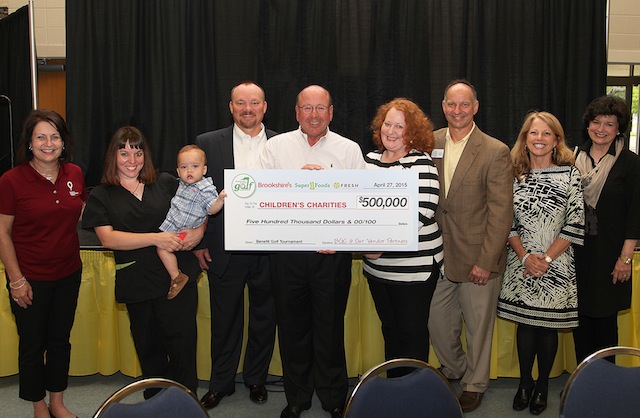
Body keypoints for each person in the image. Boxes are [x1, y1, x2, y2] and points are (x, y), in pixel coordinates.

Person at [259, 85, 366, 418]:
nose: (314, 115)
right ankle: (297, 397)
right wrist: (295, 181)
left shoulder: (349, 151)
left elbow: (361, 202)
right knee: (292, 328)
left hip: (331, 255)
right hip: (287, 255)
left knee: (330, 327)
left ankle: (334, 397)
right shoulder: (274, 148)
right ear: (296, 112)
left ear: (331, 112)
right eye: (307, 108)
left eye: (321, 108)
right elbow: (259, 198)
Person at [82, 126, 204, 397]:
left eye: (137, 153)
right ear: (112, 156)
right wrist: (155, 239)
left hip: (177, 278)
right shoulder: (101, 194)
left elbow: (199, 208)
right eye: (124, 153)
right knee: (150, 350)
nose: (132, 160)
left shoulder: (166, 182)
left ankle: (187, 404)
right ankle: (157, 404)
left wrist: (199, 232)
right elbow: (108, 239)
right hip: (138, 281)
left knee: (183, 345)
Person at [427, 79, 513, 413]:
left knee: (479, 328)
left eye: (465, 104)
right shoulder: (429, 141)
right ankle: (454, 367)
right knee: (437, 320)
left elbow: (501, 211)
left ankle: (474, 384)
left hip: (479, 255)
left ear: (475, 107)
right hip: (438, 254)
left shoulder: (495, 150)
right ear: (444, 106)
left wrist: (486, 261)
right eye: (452, 104)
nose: (458, 110)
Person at [195, 81, 277, 409]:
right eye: (240, 103)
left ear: (264, 107)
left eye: (253, 103)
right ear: (231, 107)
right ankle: (221, 383)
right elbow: (196, 194)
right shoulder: (207, 143)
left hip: (271, 248)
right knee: (224, 318)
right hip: (222, 246)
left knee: (264, 317)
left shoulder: (284, 144)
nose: (247, 109)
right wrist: (199, 239)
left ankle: (256, 378)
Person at [497, 112, 584, 415]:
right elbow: (504, 223)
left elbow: (575, 224)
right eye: (534, 133)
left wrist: (546, 258)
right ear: (525, 138)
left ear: (557, 140)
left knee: (547, 329)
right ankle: (524, 383)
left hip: (556, 264)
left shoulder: (570, 174)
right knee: (526, 325)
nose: (539, 139)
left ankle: (543, 385)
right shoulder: (511, 174)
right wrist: (525, 257)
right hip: (521, 262)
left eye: (547, 134)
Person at [0, 109, 86, 418]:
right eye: (41, 137)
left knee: (60, 342)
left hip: (68, 274)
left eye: (55, 137)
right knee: (32, 345)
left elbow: (78, 212)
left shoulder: (75, 173)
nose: (48, 143)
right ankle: (38, 405)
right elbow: (2, 233)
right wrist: (16, 279)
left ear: (63, 143)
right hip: (30, 279)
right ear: (29, 143)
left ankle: (58, 403)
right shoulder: (11, 181)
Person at [362, 98, 443, 376]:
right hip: (377, 268)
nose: (392, 131)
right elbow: (354, 205)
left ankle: (413, 396)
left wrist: (378, 247)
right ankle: (396, 393)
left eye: (400, 126)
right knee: (391, 331)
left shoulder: (421, 163)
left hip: (414, 270)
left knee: (411, 334)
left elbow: (422, 213)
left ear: (413, 132)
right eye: (388, 124)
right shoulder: (369, 161)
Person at [573, 95, 640, 363]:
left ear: (619, 128)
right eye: (596, 122)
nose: (601, 129)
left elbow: (636, 214)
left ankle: (604, 383)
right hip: (577, 251)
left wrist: (625, 258)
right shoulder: (571, 158)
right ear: (588, 124)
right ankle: (581, 380)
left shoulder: (631, 162)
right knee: (579, 320)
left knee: (605, 322)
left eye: (609, 124)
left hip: (612, 253)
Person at [157, 144, 226, 300]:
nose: (189, 171)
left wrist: (220, 200)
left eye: (195, 166)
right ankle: (176, 275)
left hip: (183, 231)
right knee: (161, 248)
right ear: (178, 171)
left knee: (162, 249)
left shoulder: (205, 188)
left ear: (204, 170)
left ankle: (176, 276)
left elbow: (212, 209)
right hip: (174, 226)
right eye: (184, 167)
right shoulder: (182, 183)